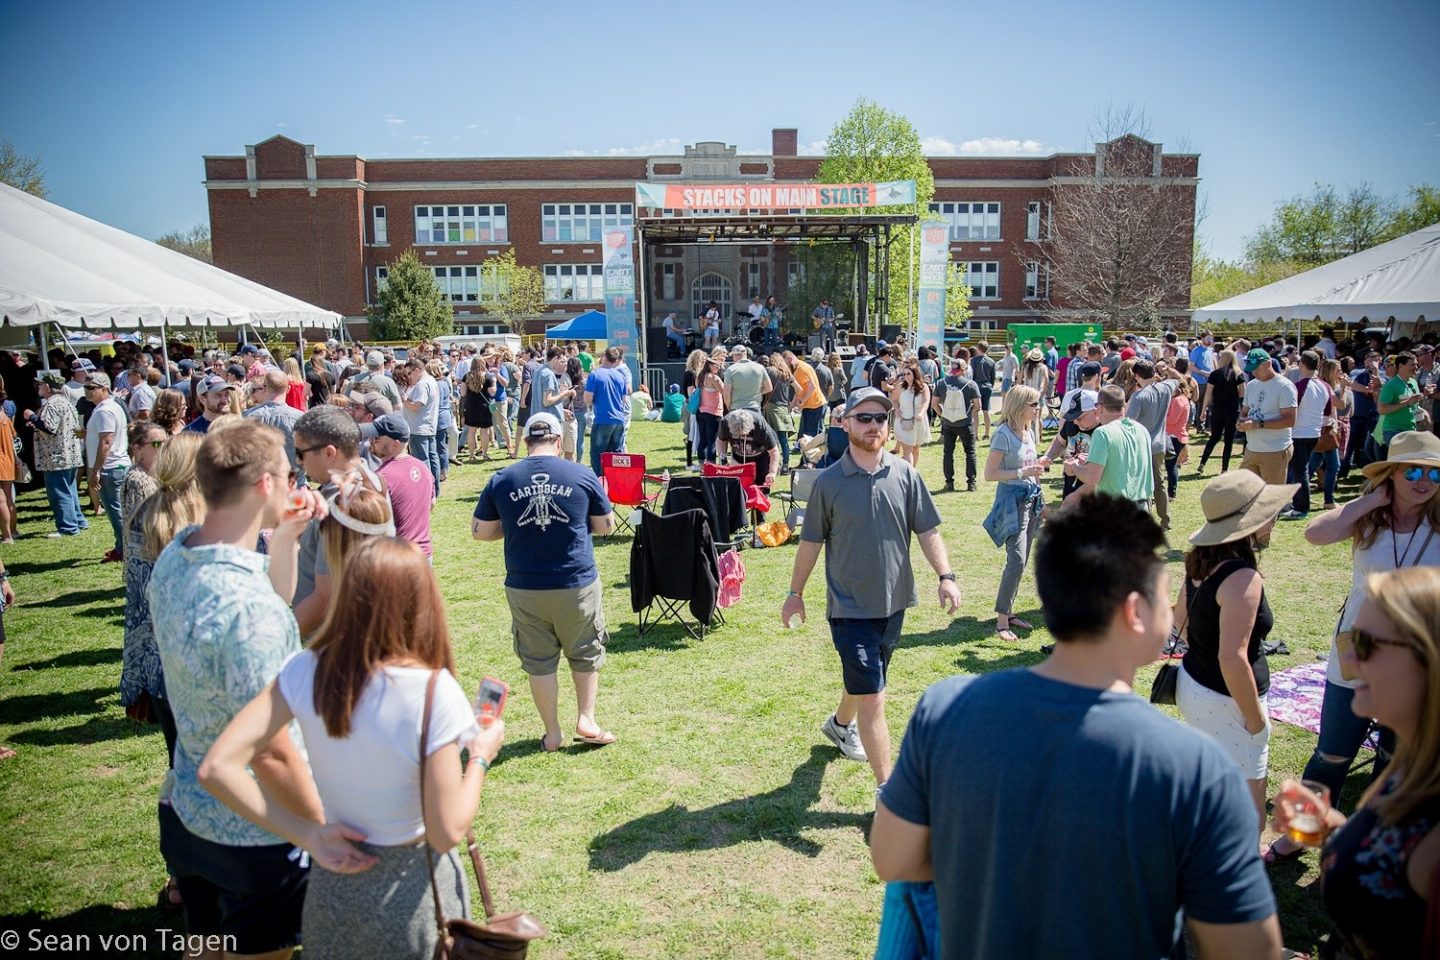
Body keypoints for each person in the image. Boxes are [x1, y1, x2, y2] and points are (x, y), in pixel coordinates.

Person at [871, 494, 1281, 959]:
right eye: (1166, 596)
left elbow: (892, 859)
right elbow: (1248, 950)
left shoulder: (943, 708)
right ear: (1135, 612)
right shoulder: (1198, 770)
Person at [200, 536, 504, 960]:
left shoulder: (304, 669)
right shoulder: (433, 691)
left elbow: (216, 767)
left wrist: (306, 834)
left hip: (333, 888)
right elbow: (446, 829)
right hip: (413, 895)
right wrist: (481, 757)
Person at [150, 423, 321, 958]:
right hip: (255, 833)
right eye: (289, 473)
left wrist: (287, 540)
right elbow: (270, 751)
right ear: (267, 484)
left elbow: (265, 594)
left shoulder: (177, 556)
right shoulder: (250, 613)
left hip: (187, 810)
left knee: (205, 945)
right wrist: (325, 829)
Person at [1266, 432, 1440, 864]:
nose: (1424, 481)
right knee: (1332, 751)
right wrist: (1370, 502)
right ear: (1392, 474)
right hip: (1355, 653)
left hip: (1416, 663)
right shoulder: (1369, 519)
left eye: (1434, 473)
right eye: (1413, 471)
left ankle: (1372, 842)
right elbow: (1314, 534)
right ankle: (1299, 835)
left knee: (1394, 760)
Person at [782, 387, 960, 791]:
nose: (874, 425)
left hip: (894, 603)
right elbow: (810, 542)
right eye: (864, 418)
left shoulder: (905, 473)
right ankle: (889, 791)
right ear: (845, 423)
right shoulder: (828, 483)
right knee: (875, 697)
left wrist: (946, 576)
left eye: (881, 418)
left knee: (867, 682)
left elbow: (927, 529)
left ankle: (840, 724)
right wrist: (795, 594)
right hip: (848, 608)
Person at [1272, 565, 1440, 960]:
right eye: (1348, 640)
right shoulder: (1412, 763)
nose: (1347, 660)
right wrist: (1330, 827)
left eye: (1366, 644)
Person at [473, 413, 617, 752]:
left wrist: (513, 527)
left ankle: (552, 733)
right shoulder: (581, 473)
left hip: (525, 584)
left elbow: (480, 531)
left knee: (538, 661)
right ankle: (587, 719)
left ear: (527, 442)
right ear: (558, 439)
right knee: (584, 652)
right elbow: (606, 525)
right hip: (575, 580)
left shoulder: (503, 478)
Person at [1176, 470, 1292, 832]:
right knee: (1251, 809)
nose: (1274, 519)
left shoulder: (1199, 560)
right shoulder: (1243, 576)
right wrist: (1256, 720)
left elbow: (1177, 620)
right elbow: (1232, 658)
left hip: (1193, 685)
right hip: (1228, 699)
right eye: (1268, 512)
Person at [284, 406, 388, 637]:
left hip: (336, 644)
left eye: (301, 453)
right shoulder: (371, 480)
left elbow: (326, 596)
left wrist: (279, 644)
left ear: (329, 453)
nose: (299, 462)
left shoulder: (343, 505)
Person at [984, 386, 1047, 643]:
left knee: (1022, 558)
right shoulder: (1003, 435)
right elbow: (990, 475)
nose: (1038, 408)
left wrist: (1038, 469)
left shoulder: (1029, 431)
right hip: (1012, 501)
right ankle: (1001, 621)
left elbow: (1029, 466)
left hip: (1031, 500)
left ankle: (1008, 613)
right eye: (1034, 404)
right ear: (1020, 405)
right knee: (1017, 559)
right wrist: (1024, 472)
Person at [1066, 384, 1153, 508]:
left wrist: (1073, 467)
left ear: (1100, 408)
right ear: (1124, 406)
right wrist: (1092, 461)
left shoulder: (1102, 433)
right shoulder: (1142, 430)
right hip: (1143, 506)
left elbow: (1092, 478)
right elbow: (1127, 464)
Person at [25, 372, 87, 537]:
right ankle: (79, 520)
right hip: (70, 454)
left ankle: (68, 526)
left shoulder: (52, 404)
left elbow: (49, 429)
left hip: (56, 456)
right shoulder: (66, 402)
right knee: (70, 490)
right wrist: (37, 424)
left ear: (47, 386)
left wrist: (31, 416)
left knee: (59, 492)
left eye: (40, 384)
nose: (38, 387)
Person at [1125, 359, 1182, 531]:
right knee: (1159, 483)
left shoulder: (1138, 396)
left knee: (1139, 485)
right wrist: (1166, 370)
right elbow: (1179, 379)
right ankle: (1166, 520)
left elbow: (1129, 423)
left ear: (1137, 376)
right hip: (1159, 445)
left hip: (1140, 446)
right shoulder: (1165, 388)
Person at [370, 414, 434, 559]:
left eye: (377, 438)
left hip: (398, 559)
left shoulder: (381, 478)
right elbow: (431, 504)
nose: (371, 441)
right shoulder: (423, 468)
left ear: (395, 444)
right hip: (423, 554)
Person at [1279, 350, 1332, 520]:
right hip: (1314, 433)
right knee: (1299, 470)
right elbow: (1328, 411)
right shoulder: (1325, 386)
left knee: (1299, 471)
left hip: (1299, 433)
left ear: (1302, 365)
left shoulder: (1300, 386)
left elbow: (1289, 409)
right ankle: (1295, 503)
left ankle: (1301, 507)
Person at [84, 371, 131, 561]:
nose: (87, 391)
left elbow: (106, 441)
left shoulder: (105, 410)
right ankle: (122, 547)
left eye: (91, 388)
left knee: (116, 511)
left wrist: (96, 470)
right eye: (85, 387)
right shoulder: (109, 407)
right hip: (116, 466)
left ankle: (124, 550)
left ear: (104, 389)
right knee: (118, 510)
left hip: (111, 468)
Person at [1238, 347, 1297, 484]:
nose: (1254, 372)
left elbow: (1290, 420)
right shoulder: (1252, 385)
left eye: (1256, 368)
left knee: (1270, 497)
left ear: (1268, 364)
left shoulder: (1285, 386)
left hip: (1275, 450)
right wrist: (1240, 422)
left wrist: (1258, 424)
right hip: (1252, 449)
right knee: (1247, 493)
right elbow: (1244, 411)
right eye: (1251, 369)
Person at [243, 371, 305, 482]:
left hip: (259, 482)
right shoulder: (300, 418)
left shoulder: (248, 416)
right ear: (288, 388)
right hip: (293, 481)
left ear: (264, 388)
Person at [932, 357, 981, 492]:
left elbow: (934, 404)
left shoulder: (942, 383)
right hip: (965, 423)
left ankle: (949, 483)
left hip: (948, 423)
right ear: (964, 369)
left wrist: (943, 415)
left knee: (948, 452)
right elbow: (978, 405)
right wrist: (968, 412)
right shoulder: (970, 384)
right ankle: (971, 483)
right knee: (970, 452)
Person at [399, 358, 441, 499]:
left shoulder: (422, 385)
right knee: (432, 458)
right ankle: (434, 490)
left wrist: (404, 400)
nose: (409, 377)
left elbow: (417, 405)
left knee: (422, 461)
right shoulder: (431, 380)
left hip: (418, 428)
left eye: (410, 373)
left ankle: (428, 491)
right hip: (428, 426)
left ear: (417, 370)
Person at [1198, 349, 1245, 473]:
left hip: (1217, 409)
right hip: (1232, 410)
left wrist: (1203, 410)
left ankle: (1203, 462)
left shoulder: (1215, 374)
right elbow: (1242, 393)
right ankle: (1224, 468)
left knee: (1214, 437)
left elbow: (1208, 394)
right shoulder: (1238, 373)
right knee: (1228, 440)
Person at [585, 347, 631, 474]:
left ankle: (600, 482)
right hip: (619, 419)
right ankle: (617, 480)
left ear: (604, 357)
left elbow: (588, 398)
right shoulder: (620, 376)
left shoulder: (595, 374)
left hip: (603, 418)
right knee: (616, 454)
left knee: (597, 454)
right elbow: (624, 399)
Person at [120, 420, 167, 529]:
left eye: (167, 442)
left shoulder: (157, 474)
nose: (164, 448)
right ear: (137, 449)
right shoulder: (137, 480)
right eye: (157, 444)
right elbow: (144, 524)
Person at [718, 409, 780, 489]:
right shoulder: (725, 422)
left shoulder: (759, 424)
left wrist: (772, 473)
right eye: (737, 434)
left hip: (761, 455)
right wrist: (724, 460)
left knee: (760, 485)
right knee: (738, 485)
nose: (741, 436)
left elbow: (774, 451)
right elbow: (721, 441)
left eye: (743, 434)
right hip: (738, 455)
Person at [1377, 351, 1425, 455]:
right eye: (1412, 364)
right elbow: (1381, 409)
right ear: (1401, 366)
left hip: (1411, 429)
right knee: (1402, 464)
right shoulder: (1391, 385)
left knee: (1409, 464)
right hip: (1394, 431)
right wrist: (1406, 403)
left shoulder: (1413, 382)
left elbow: (1414, 405)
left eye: (1416, 364)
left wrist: (1421, 416)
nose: (1416, 367)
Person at [890, 359, 931, 469]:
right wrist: (897, 409)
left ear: (915, 374)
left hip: (917, 419)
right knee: (907, 450)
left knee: (916, 448)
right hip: (904, 419)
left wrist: (922, 413)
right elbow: (894, 399)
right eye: (905, 374)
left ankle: (913, 470)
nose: (906, 376)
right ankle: (908, 472)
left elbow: (926, 401)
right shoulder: (900, 386)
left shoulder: (923, 387)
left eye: (909, 374)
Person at [762, 354, 796, 475]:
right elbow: (799, 389)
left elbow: (764, 388)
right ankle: (786, 466)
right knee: (784, 439)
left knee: (772, 439)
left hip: (771, 407)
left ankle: (774, 466)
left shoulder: (769, 371)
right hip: (784, 408)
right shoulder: (786, 372)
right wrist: (792, 404)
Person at [787, 350, 827, 441]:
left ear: (790, 359)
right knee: (816, 434)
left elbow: (812, 387)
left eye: (786, 365)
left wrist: (802, 401)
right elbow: (799, 391)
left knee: (811, 436)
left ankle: (811, 453)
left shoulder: (801, 369)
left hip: (814, 406)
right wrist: (792, 405)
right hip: (814, 405)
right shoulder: (800, 366)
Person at [722, 344, 770, 415]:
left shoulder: (731, 370)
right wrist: (755, 393)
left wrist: (729, 407)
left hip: (736, 409)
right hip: (755, 408)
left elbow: (726, 395)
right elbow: (769, 388)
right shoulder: (760, 368)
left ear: (736, 356)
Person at [695, 357, 726, 465]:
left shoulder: (700, 376)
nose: (718, 368)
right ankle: (711, 465)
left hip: (701, 411)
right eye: (716, 366)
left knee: (702, 440)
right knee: (712, 441)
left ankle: (701, 465)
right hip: (713, 412)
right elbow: (724, 392)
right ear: (709, 365)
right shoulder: (714, 378)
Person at [969, 342, 996, 440]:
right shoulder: (991, 361)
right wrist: (990, 386)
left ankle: (975, 435)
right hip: (987, 386)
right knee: (986, 410)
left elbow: (972, 376)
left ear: (978, 348)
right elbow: (993, 377)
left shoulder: (973, 361)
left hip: (976, 387)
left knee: (975, 411)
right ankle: (987, 433)